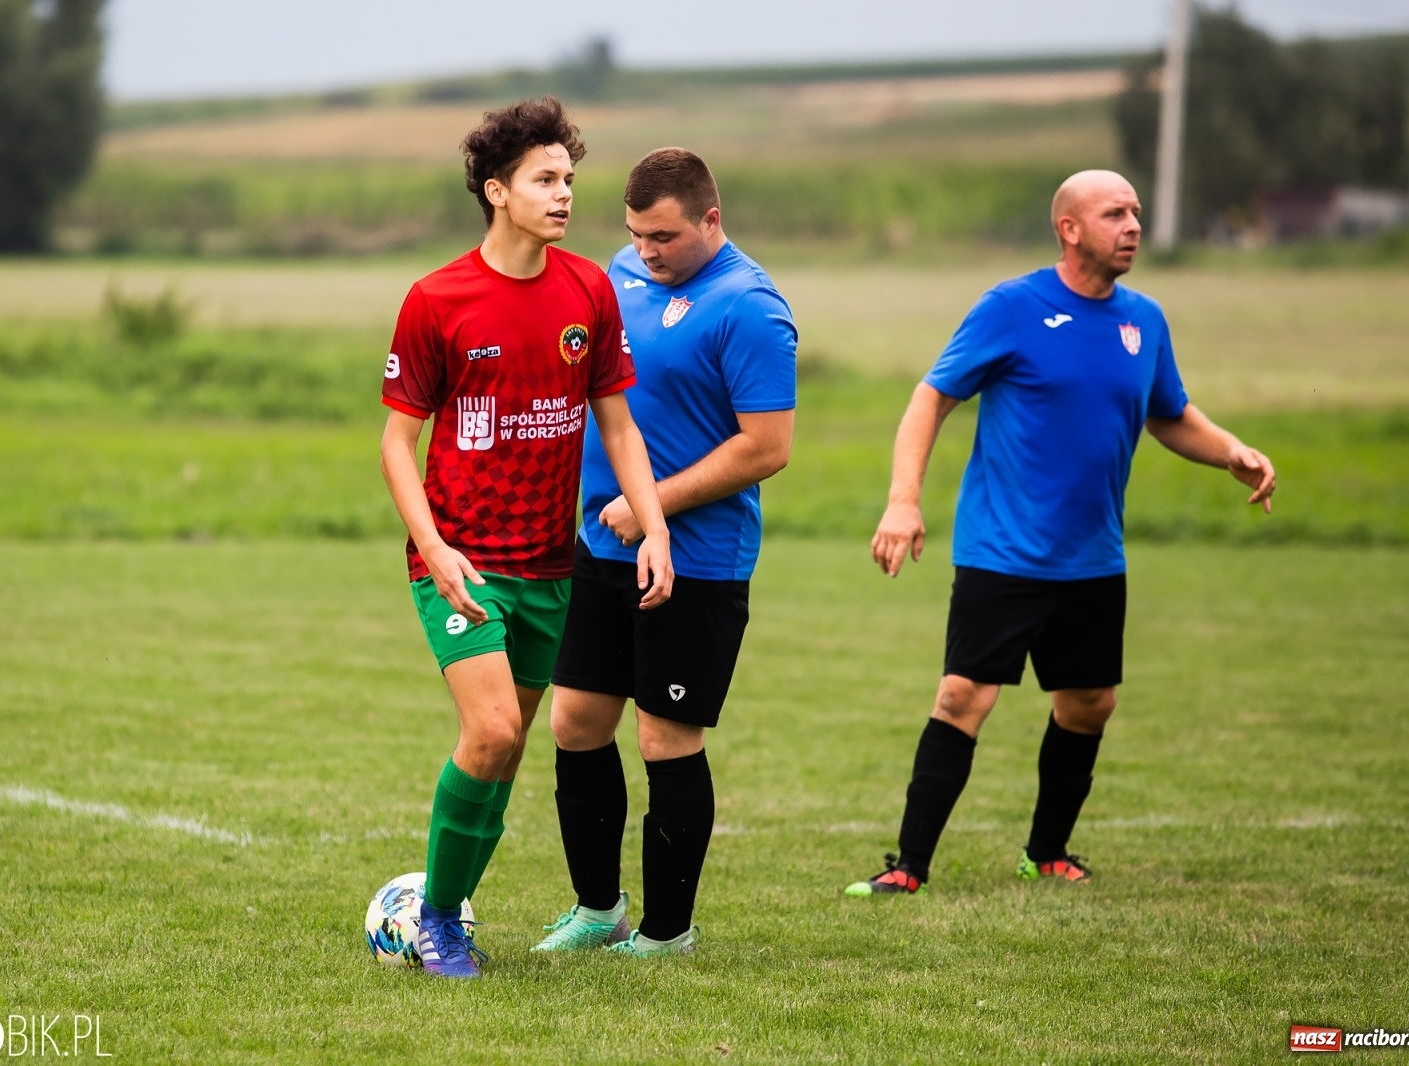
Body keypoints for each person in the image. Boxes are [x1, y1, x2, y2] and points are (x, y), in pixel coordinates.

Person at [845, 169, 1276, 897]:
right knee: (963, 697)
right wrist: (902, 500)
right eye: (1114, 214)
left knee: (1089, 703)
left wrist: (1230, 450)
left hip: (1093, 557)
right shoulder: (1012, 308)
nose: (1133, 226)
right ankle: (907, 866)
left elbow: (1169, 412)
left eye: (1135, 212)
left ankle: (1046, 853)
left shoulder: (1145, 320)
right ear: (1069, 229)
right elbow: (931, 398)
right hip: (1002, 551)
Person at [379, 97, 673, 978]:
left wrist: (655, 526)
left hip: (550, 566)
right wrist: (434, 548)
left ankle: (447, 911)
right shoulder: (437, 300)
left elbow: (618, 425)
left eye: (569, 178)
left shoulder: (589, 290)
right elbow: (396, 443)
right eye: (545, 179)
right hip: (460, 561)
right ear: (497, 191)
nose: (564, 194)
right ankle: (438, 920)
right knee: (494, 731)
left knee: (503, 757)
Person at [531, 148, 796, 957]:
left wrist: (651, 508)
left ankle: (667, 931)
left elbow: (766, 447)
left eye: (665, 237)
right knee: (576, 722)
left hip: (698, 558)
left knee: (665, 739)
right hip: (599, 542)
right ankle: (597, 910)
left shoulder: (750, 306)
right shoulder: (622, 271)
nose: (646, 251)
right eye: (636, 234)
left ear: (711, 220)